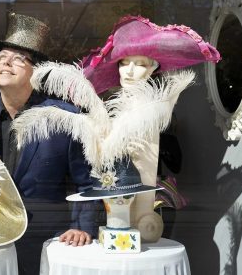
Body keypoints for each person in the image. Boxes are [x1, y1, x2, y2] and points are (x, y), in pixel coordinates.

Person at [0, 12, 94, 274]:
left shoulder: (63, 117)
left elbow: (86, 181)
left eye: (18, 59)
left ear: (36, 71)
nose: (6, 63)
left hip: (46, 239)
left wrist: (81, 227)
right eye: (2, 57)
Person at [82, 15, 220, 241]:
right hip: (113, 207)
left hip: (139, 212)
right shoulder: (114, 110)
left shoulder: (152, 112)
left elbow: (146, 166)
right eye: (124, 63)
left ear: (151, 69)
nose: (129, 71)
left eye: (139, 64)